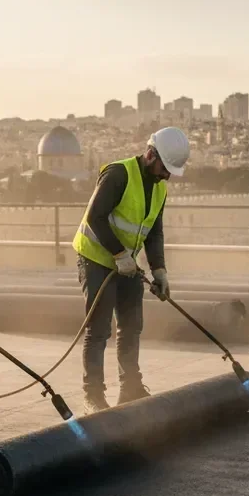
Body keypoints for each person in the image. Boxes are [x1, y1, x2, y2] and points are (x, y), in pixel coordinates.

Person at [71, 126, 191, 414]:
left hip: (127, 263)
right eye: (165, 168)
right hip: (97, 259)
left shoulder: (160, 188)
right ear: (151, 155)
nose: (168, 175)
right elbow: (95, 217)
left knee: (131, 325)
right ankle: (94, 395)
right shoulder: (118, 174)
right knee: (99, 329)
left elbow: (154, 232)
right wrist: (119, 254)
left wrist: (160, 270)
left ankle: (131, 387)